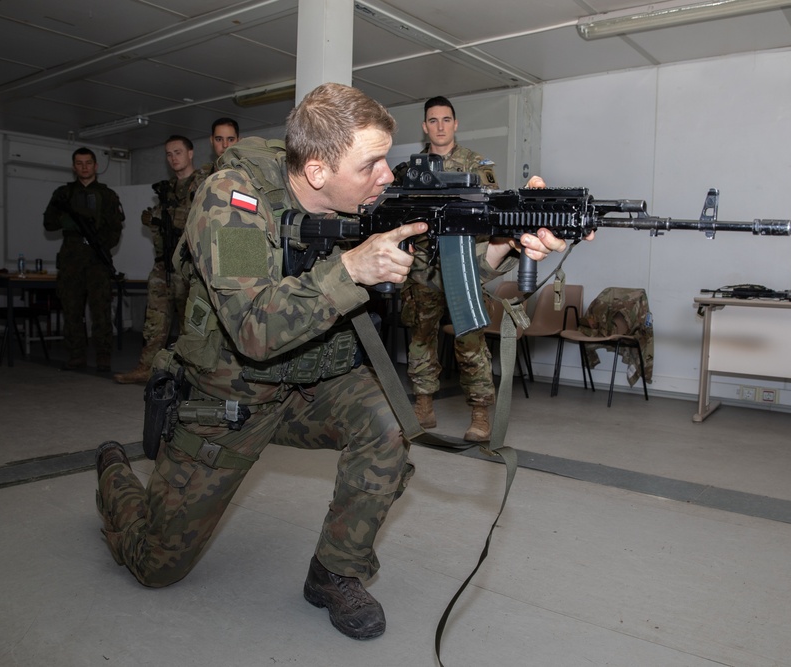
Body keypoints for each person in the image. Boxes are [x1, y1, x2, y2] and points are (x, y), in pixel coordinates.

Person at [94, 83, 566, 641]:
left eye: (386, 158)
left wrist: (504, 245)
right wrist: (351, 271)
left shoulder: (366, 202)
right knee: (155, 565)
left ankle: (334, 572)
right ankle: (113, 475)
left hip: (316, 383)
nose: (388, 175)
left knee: (390, 421)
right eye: (371, 163)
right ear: (318, 172)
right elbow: (254, 326)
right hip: (231, 399)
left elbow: (427, 281)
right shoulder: (233, 201)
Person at [400, 96, 499, 442]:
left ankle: (481, 411)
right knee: (421, 338)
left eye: (446, 119)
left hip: (463, 261)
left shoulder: (477, 163)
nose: (440, 126)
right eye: (433, 120)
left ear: (455, 124)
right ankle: (423, 405)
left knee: (470, 338)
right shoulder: (411, 169)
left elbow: (490, 206)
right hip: (423, 266)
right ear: (425, 127)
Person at [114, 136, 210, 384]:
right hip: (162, 265)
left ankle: (191, 375)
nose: (173, 158)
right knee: (154, 320)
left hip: (189, 265)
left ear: (190, 153)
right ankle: (146, 367)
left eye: (178, 152)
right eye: (168, 154)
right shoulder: (165, 190)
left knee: (190, 323)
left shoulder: (202, 184)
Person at [43, 147, 124, 371]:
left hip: (97, 260)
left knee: (101, 310)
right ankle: (76, 355)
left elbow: (115, 229)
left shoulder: (107, 195)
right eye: (79, 163)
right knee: (72, 310)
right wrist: (67, 221)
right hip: (71, 259)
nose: (84, 167)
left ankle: (103, 356)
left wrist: (99, 245)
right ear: (73, 167)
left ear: (96, 166)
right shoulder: (63, 194)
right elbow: (49, 223)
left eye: (88, 163)